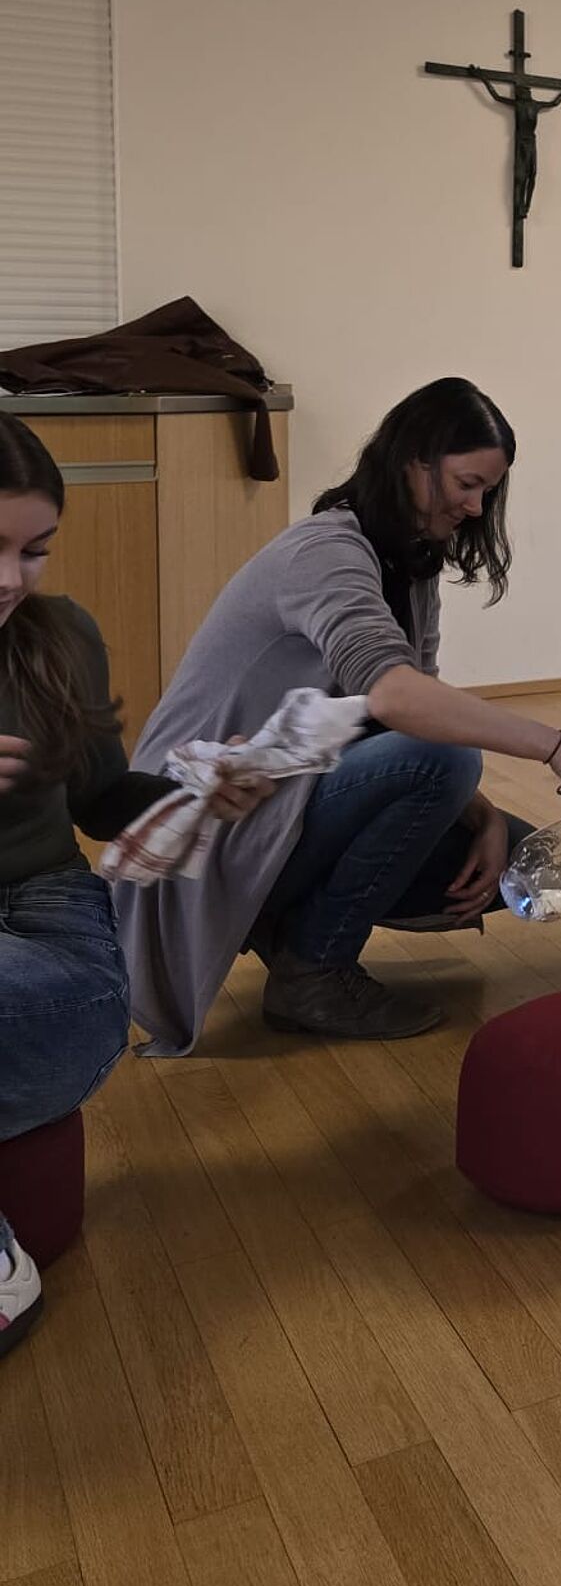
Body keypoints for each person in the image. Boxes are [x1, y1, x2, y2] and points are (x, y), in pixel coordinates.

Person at [113, 379, 561, 1051]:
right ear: (413, 462)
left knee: (510, 857)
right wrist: (554, 745)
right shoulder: (325, 552)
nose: (476, 507)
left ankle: (287, 928)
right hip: (208, 824)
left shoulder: (411, 563)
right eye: (467, 484)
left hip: (282, 795)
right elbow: (395, 699)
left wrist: (487, 817)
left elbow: (414, 711)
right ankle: (311, 969)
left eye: (488, 491)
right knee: (446, 762)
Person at [0, 419, 270, 1357]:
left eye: (34, 550)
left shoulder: (62, 636)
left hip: (45, 918)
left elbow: (103, 800)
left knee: (78, 1008)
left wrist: (199, 793)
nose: (10, 578)